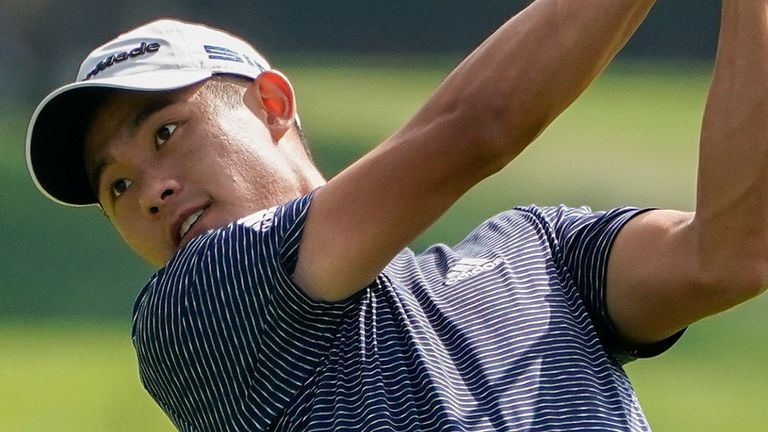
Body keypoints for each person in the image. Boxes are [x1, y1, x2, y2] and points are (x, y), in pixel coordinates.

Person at [24, 0, 768, 430]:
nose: (150, 190)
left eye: (165, 132)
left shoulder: (539, 248)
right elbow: (477, 127)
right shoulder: (194, 312)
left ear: (274, 105)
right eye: (116, 187)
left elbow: (731, 253)